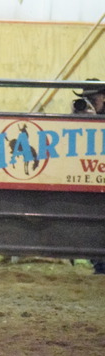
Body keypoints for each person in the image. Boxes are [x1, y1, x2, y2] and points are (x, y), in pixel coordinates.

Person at [71, 78, 105, 275]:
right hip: (88, 173)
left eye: (92, 98)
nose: (88, 101)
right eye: (85, 98)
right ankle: (98, 263)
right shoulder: (81, 115)